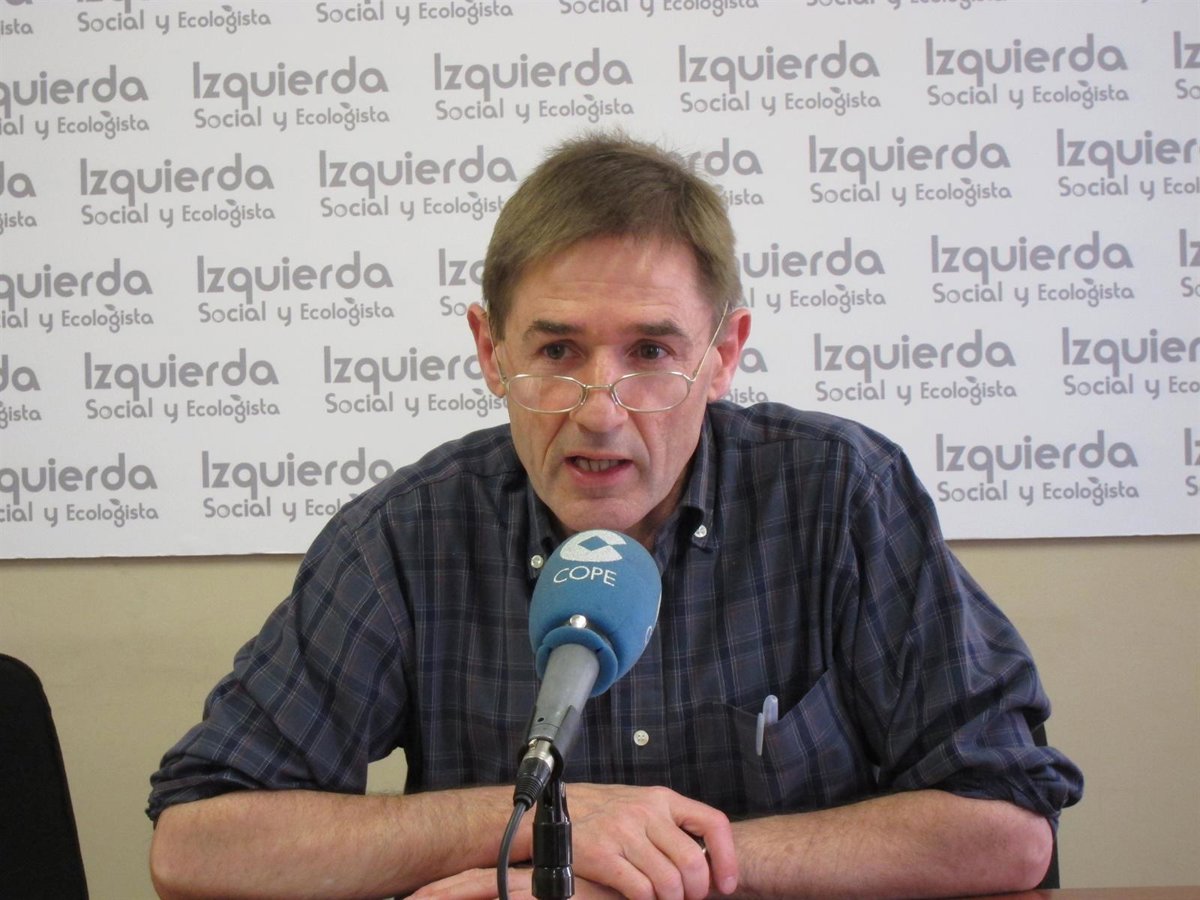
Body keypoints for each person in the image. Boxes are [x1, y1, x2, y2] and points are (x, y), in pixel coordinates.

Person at [148, 132, 1083, 900]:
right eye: (558, 350)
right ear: (490, 350)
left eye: (651, 352)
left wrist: (648, 867)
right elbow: (198, 844)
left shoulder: (842, 495)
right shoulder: (405, 535)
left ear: (723, 356)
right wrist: (531, 827)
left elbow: (1006, 827)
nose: (600, 410)